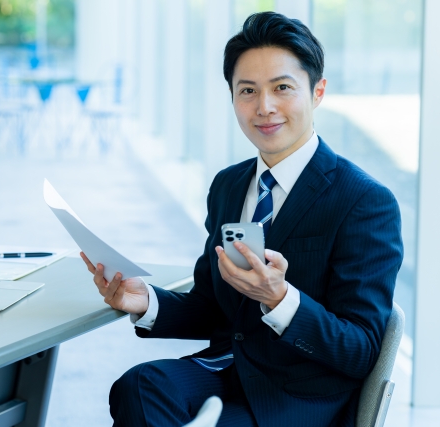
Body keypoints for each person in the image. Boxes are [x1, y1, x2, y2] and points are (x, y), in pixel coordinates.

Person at [80, 11, 403, 427]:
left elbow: (361, 351)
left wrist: (279, 298)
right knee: (140, 386)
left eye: (282, 88)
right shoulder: (230, 185)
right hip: (229, 369)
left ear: (317, 92)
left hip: (299, 398)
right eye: (247, 90)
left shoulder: (364, 201)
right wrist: (146, 302)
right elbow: (215, 307)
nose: (264, 107)